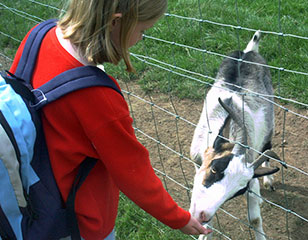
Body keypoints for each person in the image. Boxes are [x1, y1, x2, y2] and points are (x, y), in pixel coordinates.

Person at [9, 0, 211, 239]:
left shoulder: (39, 35)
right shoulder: (97, 97)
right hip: (77, 222)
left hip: (32, 193)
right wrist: (178, 218)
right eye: (142, 30)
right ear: (116, 22)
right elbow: (134, 173)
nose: (140, 39)